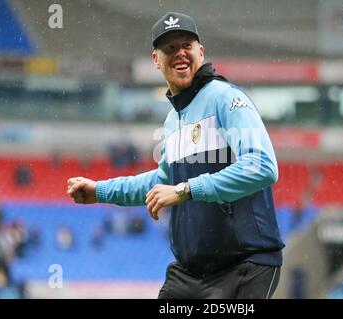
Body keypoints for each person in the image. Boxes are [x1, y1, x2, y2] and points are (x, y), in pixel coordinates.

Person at [67, 11, 284, 299]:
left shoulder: (226, 98)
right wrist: (100, 191)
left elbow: (262, 167)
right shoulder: (173, 120)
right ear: (156, 59)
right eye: (170, 48)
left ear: (201, 52)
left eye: (187, 45)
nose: (180, 53)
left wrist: (185, 190)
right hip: (190, 273)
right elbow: (161, 183)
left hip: (244, 267)